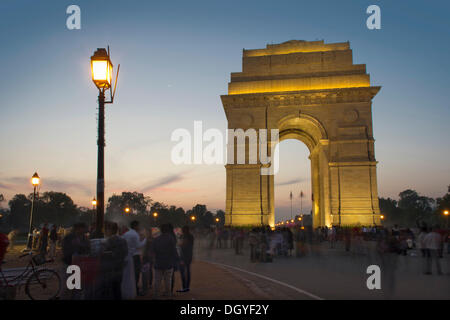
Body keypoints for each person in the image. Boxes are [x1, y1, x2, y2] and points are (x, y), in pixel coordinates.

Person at [101, 221, 128, 300]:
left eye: (106, 229)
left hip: (109, 270)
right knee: (117, 289)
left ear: (110, 230)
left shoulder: (107, 241)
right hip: (119, 268)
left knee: (109, 291)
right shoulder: (123, 240)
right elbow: (126, 253)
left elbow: (103, 255)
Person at [152, 223, 178, 299]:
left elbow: (153, 251)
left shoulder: (156, 239)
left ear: (161, 230)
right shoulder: (171, 239)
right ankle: (168, 294)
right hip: (168, 263)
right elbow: (174, 251)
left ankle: (156, 295)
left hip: (158, 263)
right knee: (168, 281)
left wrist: (153, 260)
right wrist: (177, 259)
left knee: (157, 280)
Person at [122, 220, 146, 295]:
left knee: (128, 275)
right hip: (135, 256)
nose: (139, 227)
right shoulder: (135, 234)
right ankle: (135, 290)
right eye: (138, 225)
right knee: (136, 274)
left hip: (127, 256)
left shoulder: (126, 234)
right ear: (135, 226)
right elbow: (138, 245)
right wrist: (145, 239)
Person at [177, 226, 194, 293]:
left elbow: (182, 245)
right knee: (187, 271)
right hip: (189, 256)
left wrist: (179, 244)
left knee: (183, 272)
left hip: (183, 256)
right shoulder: (190, 236)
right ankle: (187, 287)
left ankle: (185, 287)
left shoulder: (185, 237)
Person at [141, 228, 154, 295]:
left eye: (146, 232)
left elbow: (146, 250)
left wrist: (144, 256)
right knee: (148, 272)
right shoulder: (150, 239)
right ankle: (149, 285)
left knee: (145, 274)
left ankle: (145, 288)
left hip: (147, 259)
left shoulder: (148, 240)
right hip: (149, 258)